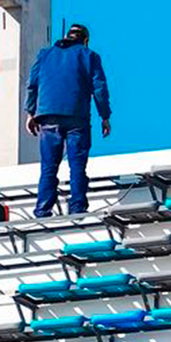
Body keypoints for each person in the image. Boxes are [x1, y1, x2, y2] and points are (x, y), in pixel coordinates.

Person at [25, 23, 111, 217]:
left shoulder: (45, 54)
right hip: (76, 117)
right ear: (85, 40)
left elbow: (32, 84)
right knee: (77, 165)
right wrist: (104, 117)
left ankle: (42, 209)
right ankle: (77, 208)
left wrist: (30, 113)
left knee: (48, 166)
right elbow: (99, 89)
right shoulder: (89, 56)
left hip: (47, 117)